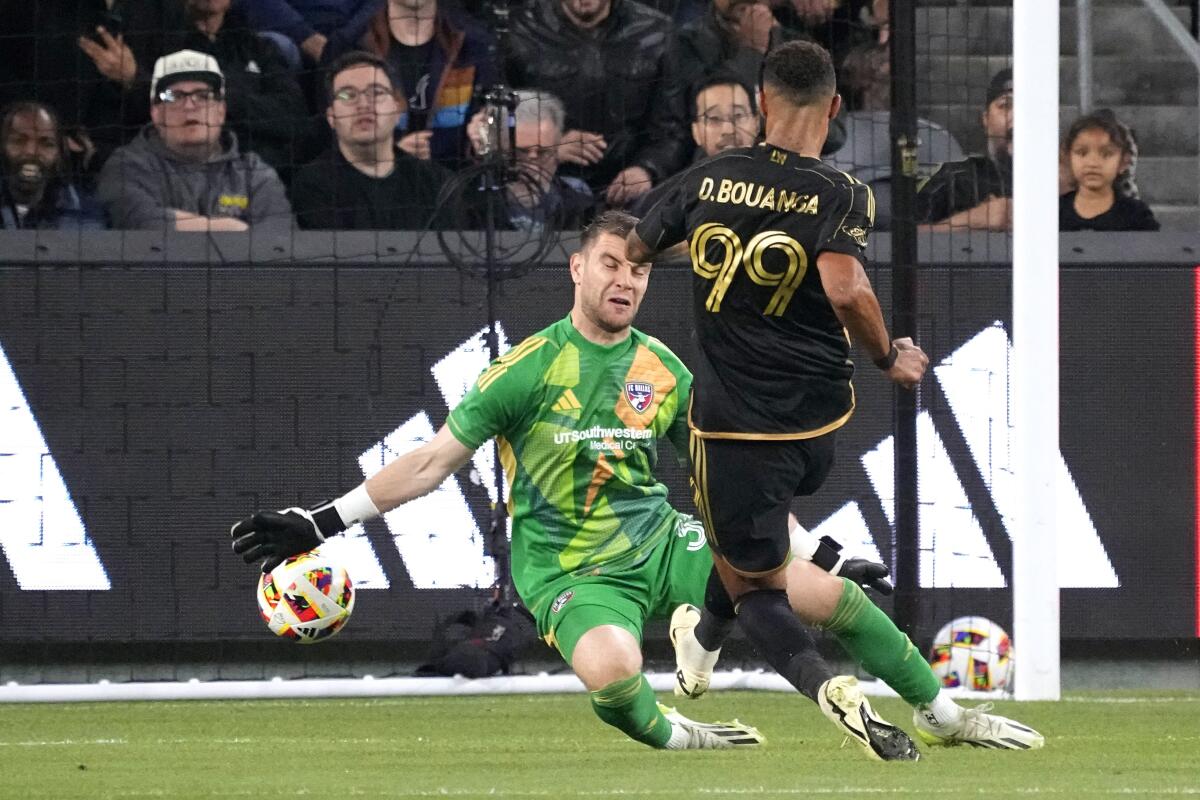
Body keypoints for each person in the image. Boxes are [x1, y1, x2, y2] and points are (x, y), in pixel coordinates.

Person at [626, 39, 1025, 757]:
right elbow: (841, 283)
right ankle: (701, 644)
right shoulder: (842, 192)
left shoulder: (708, 180)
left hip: (734, 430)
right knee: (746, 546)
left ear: (761, 103)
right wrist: (887, 357)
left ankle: (825, 688)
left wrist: (724, 244)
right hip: (816, 422)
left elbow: (637, 248)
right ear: (835, 108)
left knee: (754, 586)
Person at [504, 0, 690, 207]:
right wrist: (550, 149)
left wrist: (647, 169)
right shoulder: (521, 29)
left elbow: (672, 129)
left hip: (629, 185)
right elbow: (499, 121)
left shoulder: (656, 32)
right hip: (548, 181)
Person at [96, 49, 292, 231]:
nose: (190, 106)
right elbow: (139, 221)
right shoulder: (126, 165)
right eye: (174, 96)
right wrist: (225, 228)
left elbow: (278, 242)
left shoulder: (254, 173)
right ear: (155, 113)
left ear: (221, 112)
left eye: (204, 95)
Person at [289, 51, 450, 230]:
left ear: (397, 111)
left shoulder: (437, 182)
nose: (364, 104)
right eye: (347, 95)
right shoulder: (313, 187)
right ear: (331, 117)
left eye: (376, 92)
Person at [350, 0, 498, 167]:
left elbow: (490, 123)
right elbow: (331, 139)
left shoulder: (474, 43)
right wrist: (389, 153)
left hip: (456, 184)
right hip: (375, 186)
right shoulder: (352, 44)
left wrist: (483, 140)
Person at [631, 73, 760, 217]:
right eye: (714, 118)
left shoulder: (783, 186)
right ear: (696, 131)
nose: (728, 130)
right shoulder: (659, 204)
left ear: (756, 123)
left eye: (738, 116)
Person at [916, 67, 1013, 232]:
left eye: (1030, 106)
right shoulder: (954, 178)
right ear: (985, 119)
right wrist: (975, 220)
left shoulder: (1065, 178)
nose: (1015, 116)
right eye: (1005, 105)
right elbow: (900, 238)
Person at [498, 90, 597, 233]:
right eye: (521, 152)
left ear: (557, 148)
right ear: (500, 149)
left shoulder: (578, 202)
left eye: (543, 152)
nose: (532, 163)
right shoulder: (467, 201)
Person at [0, 102, 105, 230]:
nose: (31, 151)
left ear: (60, 153)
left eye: (46, 144)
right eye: (19, 141)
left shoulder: (86, 215)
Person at [1059, 109, 1159, 232]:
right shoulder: (1054, 211)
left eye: (1106, 154)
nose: (1092, 163)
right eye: (1082, 153)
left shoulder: (1136, 215)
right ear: (1068, 158)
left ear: (1123, 162)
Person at [240, 0, 385, 67]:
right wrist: (305, 36)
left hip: (355, 33)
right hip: (293, 37)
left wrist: (344, 38)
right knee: (277, 46)